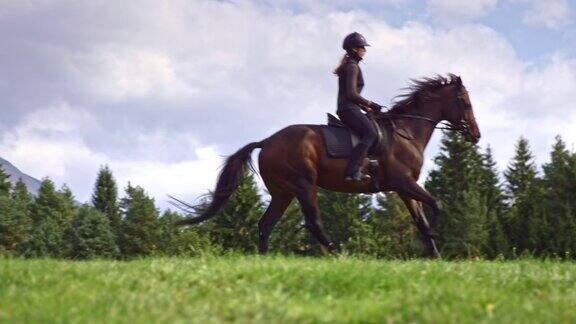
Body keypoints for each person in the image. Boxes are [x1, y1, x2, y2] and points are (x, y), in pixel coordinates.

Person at [334, 32, 384, 182]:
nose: (365, 50)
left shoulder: (350, 66)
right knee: (371, 134)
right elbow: (350, 94)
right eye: (363, 47)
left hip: (350, 108)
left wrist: (365, 108)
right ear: (355, 49)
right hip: (348, 109)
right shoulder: (352, 67)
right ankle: (353, 171)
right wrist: (370, 104)